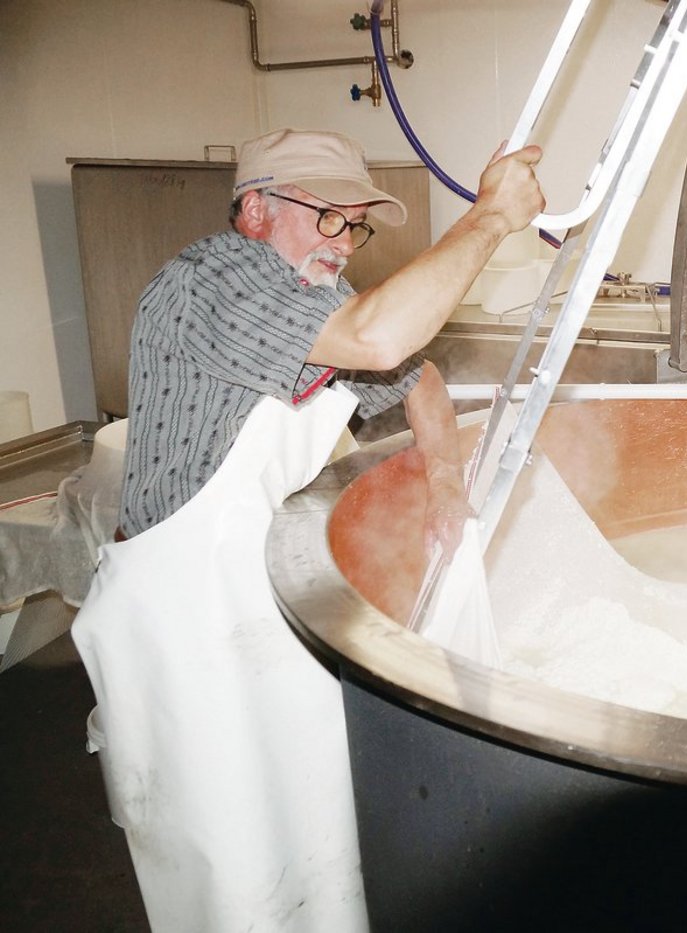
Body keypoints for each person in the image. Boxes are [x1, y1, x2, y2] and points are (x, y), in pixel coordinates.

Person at [71, 128, 544, 931]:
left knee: (309, 825)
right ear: (256, 209)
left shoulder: (312, 297)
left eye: (355, 224)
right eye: (330, 217)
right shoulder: (212, 279)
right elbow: (380, 337)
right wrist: (490, 219)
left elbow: (418, 375)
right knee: (223, 857)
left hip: (249, 602)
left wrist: (443, 486)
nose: (344, 242)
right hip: (181, 625)